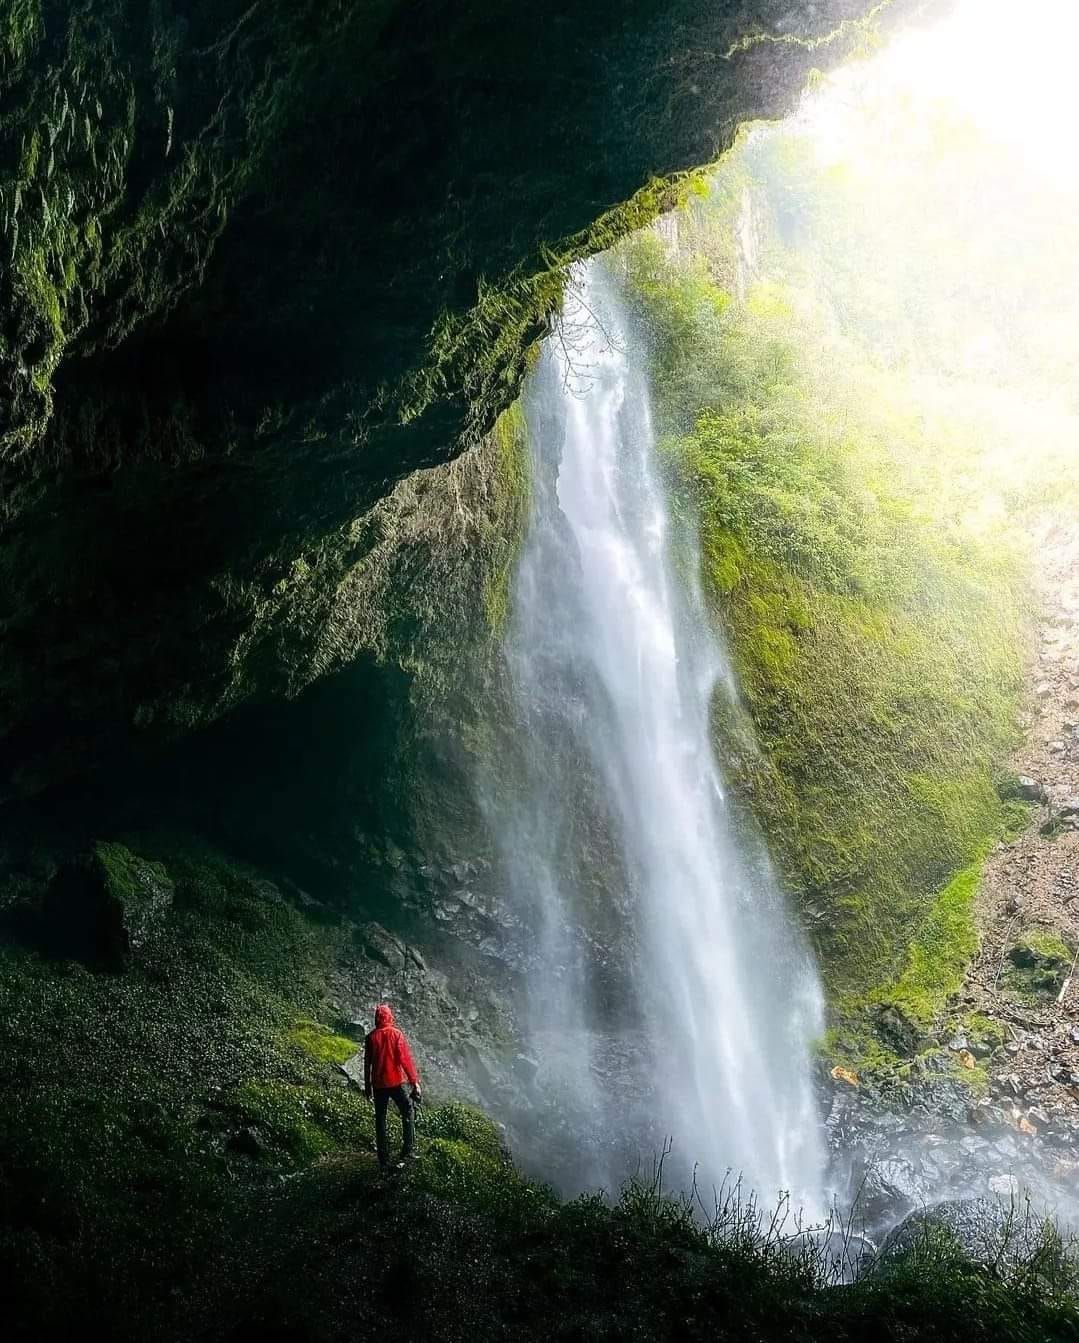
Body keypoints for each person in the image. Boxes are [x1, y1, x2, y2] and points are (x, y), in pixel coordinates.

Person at [364, 1003, 421, 1170]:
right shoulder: (397, 1034)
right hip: (395, 1082)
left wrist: (368, 1087)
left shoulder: (371, 1037)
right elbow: (405, 1060)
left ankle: (383, 1160)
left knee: (380, 1119)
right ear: (390, 1017)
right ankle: (407, 1150)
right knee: (407, 1110)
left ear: (377, 1018)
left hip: (378, 1085)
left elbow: (367, 1065)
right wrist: (414, 1082)